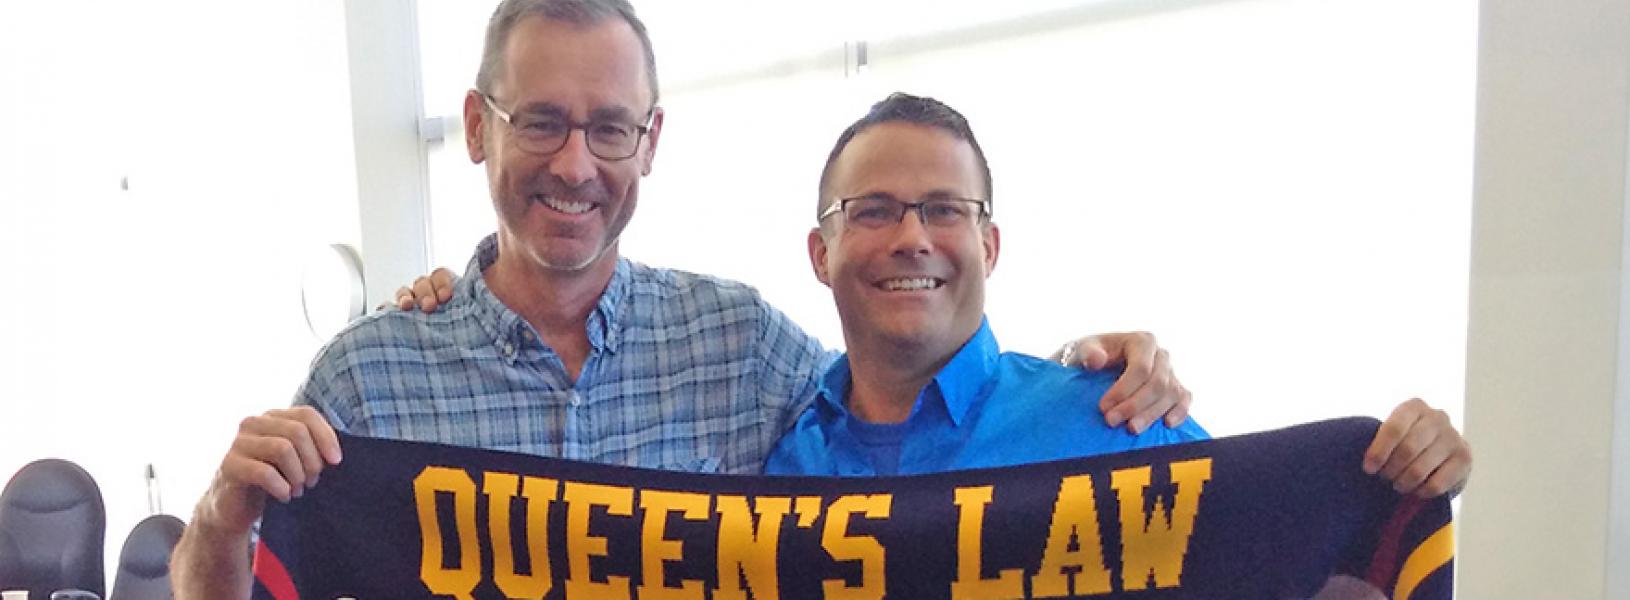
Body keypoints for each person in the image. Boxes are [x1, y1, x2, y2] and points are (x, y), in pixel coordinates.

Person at [170, 1, 1191, 597]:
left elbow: (904, 373)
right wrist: (219, 519)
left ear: (649, 142)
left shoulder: (741, 343)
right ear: (477, 127)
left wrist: (1085, 374)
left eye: (610, 127)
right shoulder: (367, 374)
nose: (576, 164)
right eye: (541, 122)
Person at [762, 93, 1470, 495]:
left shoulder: (1119, 423)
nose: (912, 237)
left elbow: (1273, 547)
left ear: (990, 246)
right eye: (874, 211)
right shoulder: (774, 469)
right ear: (821, 254)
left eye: (945, 209)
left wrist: (1402, 479)